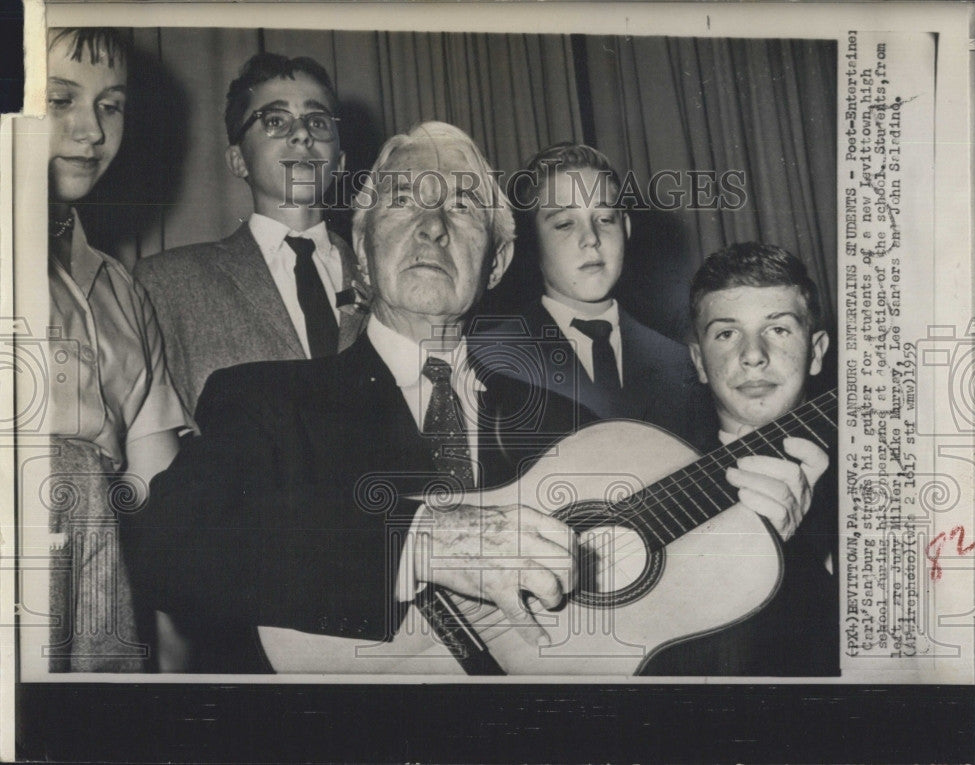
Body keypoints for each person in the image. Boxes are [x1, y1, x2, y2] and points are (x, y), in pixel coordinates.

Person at [120, 123, 827, 675]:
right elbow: (168, 546)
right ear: (361, 253)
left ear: (495, 262)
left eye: (461, 207)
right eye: (405, 202)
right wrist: (414, 543)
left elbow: (664, 653)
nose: (433, 225)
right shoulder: (267, 398)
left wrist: (748, 540)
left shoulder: (573, 429)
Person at [45, 28, 187, 672]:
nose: (91, 131)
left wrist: (177, 668)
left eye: (111, 105)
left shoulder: (122, 290)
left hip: (104, 582)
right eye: (58, 99)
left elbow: (155, 500)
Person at [133, 52, 367, 421]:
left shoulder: (386, 281)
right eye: (275, 120)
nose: (302, 134)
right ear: (238, 160)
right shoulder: (163, 285)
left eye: (318, 121)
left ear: (339, 163)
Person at [648, 241, 838, 675]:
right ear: (699, 360)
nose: (753, 355)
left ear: (818, 351)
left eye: (778, 329)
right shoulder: (653, 481)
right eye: (727, 333)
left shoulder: (880, 485)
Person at [472, 142, 715, 447]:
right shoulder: (484, 358)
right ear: (531, 241)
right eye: (564, 224)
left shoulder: (681, 364)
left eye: (604, 218)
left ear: (625, 228)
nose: (591, 239)